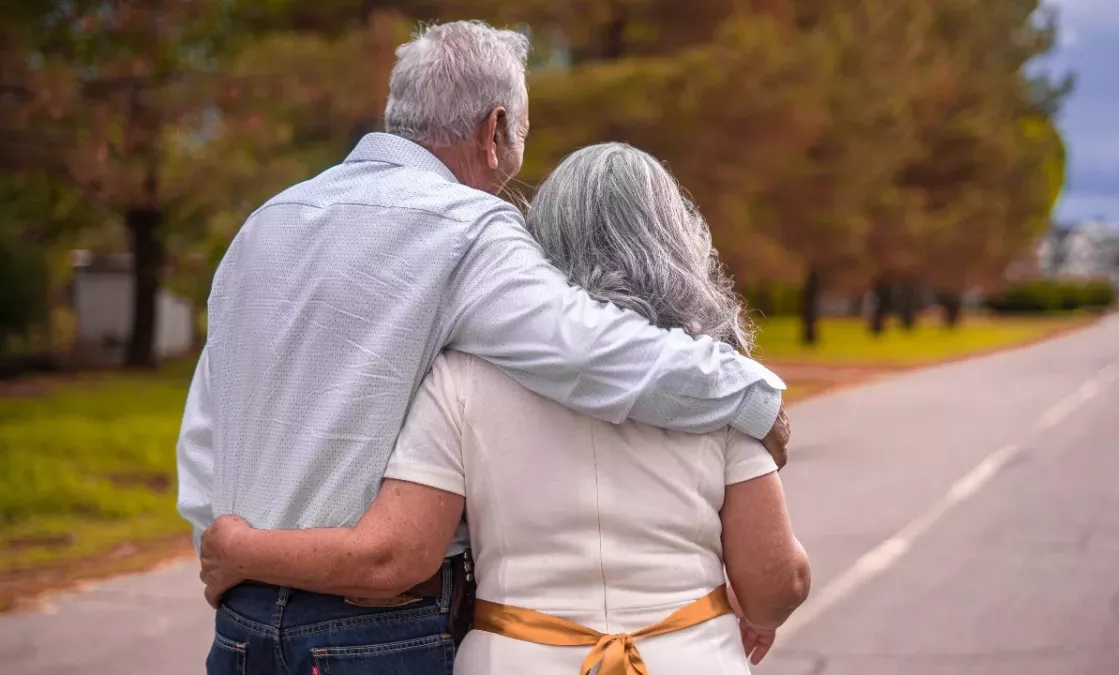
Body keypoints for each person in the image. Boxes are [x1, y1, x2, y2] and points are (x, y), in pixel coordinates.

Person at [176, 21, 791, 675]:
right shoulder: (470, 229)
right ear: (494, 130)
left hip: (241, 620)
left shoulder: (266, 223)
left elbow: (208, 424)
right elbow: (593, 352)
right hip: (375, 627)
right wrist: (752, 395)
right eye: (521, 135)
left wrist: (230, 551)